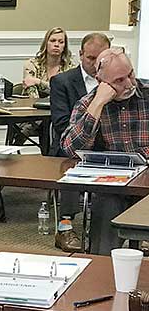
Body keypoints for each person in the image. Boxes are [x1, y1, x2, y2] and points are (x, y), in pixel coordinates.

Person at [60, 47, 145, 254]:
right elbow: (70, 149)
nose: (129, 84)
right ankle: (101, 272)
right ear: (102, 82)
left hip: (147, 180)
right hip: (113, 185)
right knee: (105, 204)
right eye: (118, 81)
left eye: (130, 74)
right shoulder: (89, 103)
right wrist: (98, 103)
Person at [49, 33, 110, 252]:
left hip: (106, 144)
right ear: (81, 54)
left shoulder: (114, 80)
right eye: (90, 58)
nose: (94, 64)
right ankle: (64, 226)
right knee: (71, 164)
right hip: (71, 146)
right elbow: (61, 123)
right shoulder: (62, 81)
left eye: (99, 60)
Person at [21, 27, 75, 98]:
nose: (56, 44)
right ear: (46, 43)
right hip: (35, 107)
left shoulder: (70, 68)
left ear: (64, 46)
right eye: (53, 41)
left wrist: (38, 82)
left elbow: (69, 93)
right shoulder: (32, 64)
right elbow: (30, 90)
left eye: (61, 42)